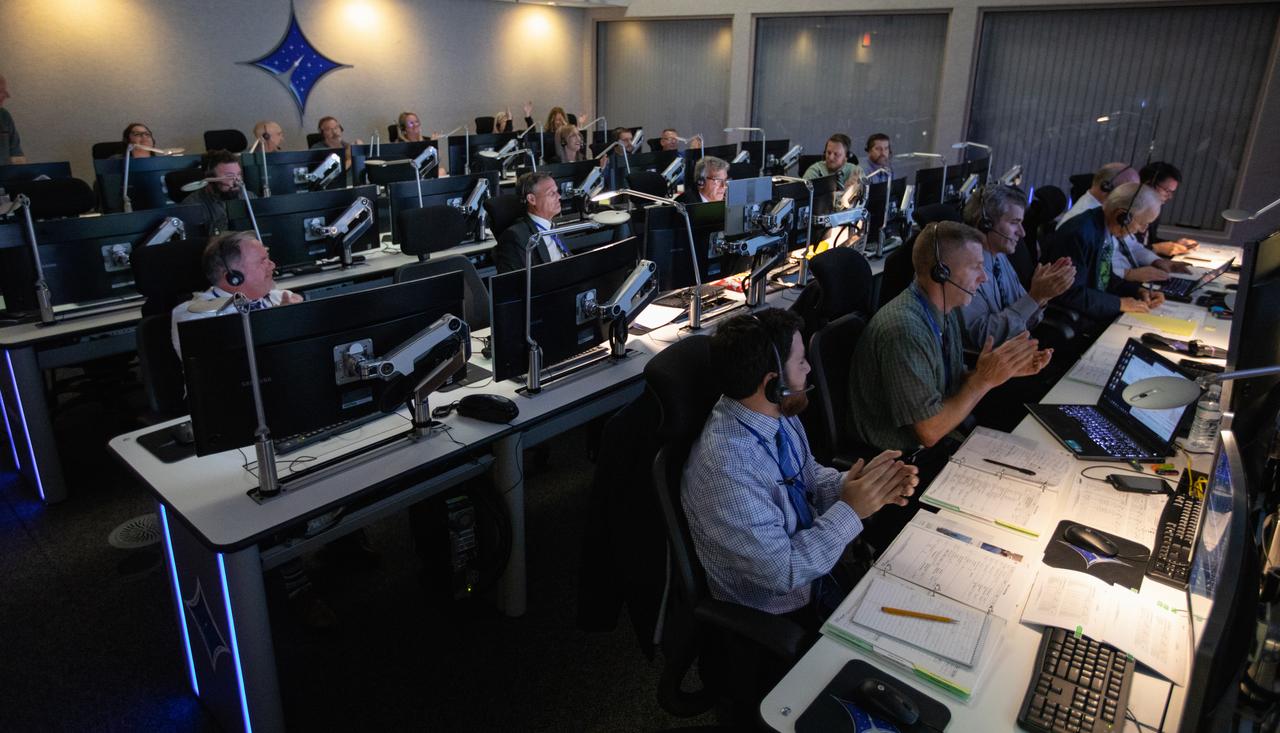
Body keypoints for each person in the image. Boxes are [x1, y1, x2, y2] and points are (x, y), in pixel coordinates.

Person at [682, 308, 918, 618]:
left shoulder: (774, 413)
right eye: (800, 360)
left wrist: (854, 485)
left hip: (821, 574)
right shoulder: (727, 470)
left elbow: (805, 478)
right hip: (779, 611)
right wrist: (851, 509)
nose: (808, 367)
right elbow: (784, 571)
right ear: (771, 382)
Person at [849, 222, 1052, 453]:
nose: (984, 277)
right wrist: (983, 380)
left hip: (936, 444)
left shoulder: (944, 310)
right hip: (898, 462)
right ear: (942, 273)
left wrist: (1000, 370)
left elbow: (945, 386)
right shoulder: (904, 330)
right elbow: (930, 431)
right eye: (976, 267)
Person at [959, 184, 1075, 348]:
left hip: (1015, 351)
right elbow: (982, 338)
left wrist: (1042, 296)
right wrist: (1034, 297)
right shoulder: (963, 266)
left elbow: (1024, 316)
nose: (1022, 232)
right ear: (986, 223)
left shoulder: (999, 255)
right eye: (1014, 223)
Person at [1042, 182, 1167, 325]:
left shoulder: (1100, 227)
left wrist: (1137, 291)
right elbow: (1069, 293)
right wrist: (1119, 304)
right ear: (1122, 216)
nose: (1142, 230)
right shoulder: (1079, 234)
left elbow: (1103, 276)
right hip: (1074, 322)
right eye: (1143, 223)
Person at [171, 231, 303, 356]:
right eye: (262, 261)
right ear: (233, 277)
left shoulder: (280, 298)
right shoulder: (192, 316)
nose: (272, 265)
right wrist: (279, 320)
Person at [1058, 162, 1188, 283]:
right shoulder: (1081, 223)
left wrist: (1156, 261)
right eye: (1130, 191)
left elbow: (1132, 246)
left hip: (1120, 284)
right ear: (1107, 187)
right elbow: (1088, 274)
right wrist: (1128, 274)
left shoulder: (1112, 214)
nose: (1135, 198)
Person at [494, 171, 571, 273]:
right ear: (532, 199)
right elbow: (516, 283)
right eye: (551, 193)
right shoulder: (515, 237)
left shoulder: (552, 227)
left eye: (556, 191)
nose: (559, 196)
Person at [187, 150, 255, 235]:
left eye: (238, 174)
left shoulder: (248, 197)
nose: (237, 181)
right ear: (210, 179)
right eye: (229, 176)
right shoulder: (192, 206)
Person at [1138, 161, 1198, 256]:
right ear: (1149, 184)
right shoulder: (1129, 211)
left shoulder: (1154, 209)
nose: (1170, 197)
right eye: (1167, 191)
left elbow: (1149, 242)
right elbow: (1125, 250)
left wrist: (1175, 245)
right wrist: (1156, 248)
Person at [1057, 161, 1138, 226]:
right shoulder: (1079, 222)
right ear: (1106, 187)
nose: (1129, 203)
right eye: (1127, 195)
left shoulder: (1104, 214)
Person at [0, 74, 27, 165]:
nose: (4, 96)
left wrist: (21, 173)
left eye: (4, 92)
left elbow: (16, 153)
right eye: (0, 91)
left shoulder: (4, 116)